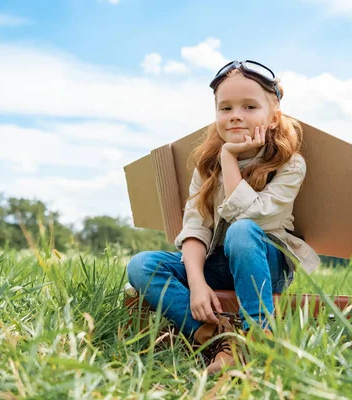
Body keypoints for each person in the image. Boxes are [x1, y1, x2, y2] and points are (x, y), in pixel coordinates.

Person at [127, 60, 320, 374]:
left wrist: (229, 157)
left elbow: (251, 218)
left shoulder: (290, 164)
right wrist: (197, 283)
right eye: (225, 108)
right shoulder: (206, 167)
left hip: (264, 263)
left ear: (273, 118)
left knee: (241, 230)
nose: (235, 116)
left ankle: (259, 339)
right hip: (217, 263)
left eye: (249, 106)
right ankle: (216, 339)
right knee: (142, 265)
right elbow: (195, 226)